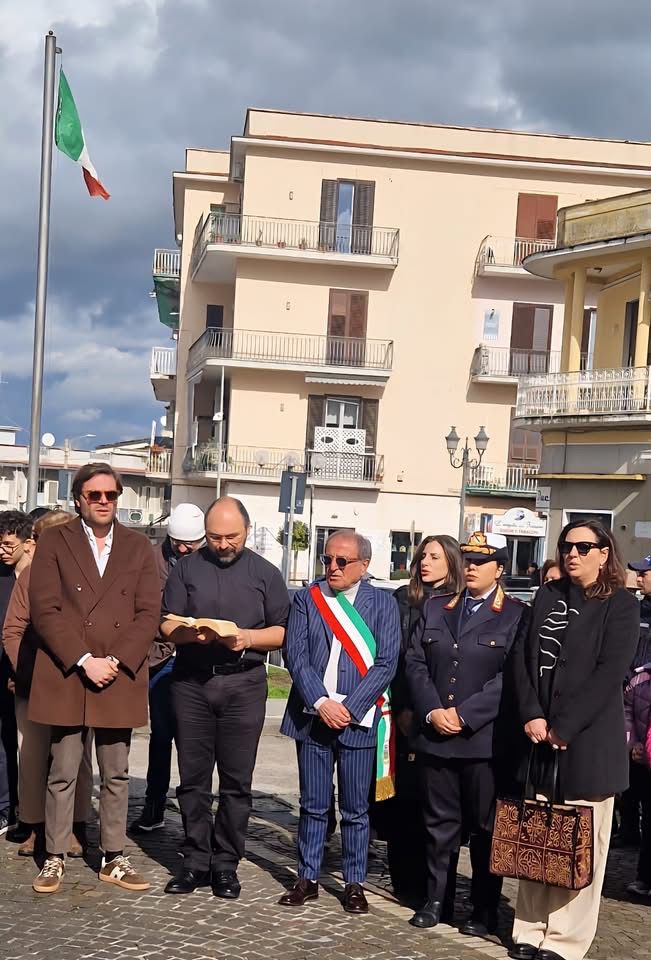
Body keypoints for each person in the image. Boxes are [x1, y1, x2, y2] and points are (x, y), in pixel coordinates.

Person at [509, 519, 638, 960]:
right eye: (567, 546)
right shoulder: (547, 596)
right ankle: (529, 930)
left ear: (605, 554)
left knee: (579, 844)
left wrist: (563, 726)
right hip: (537, 738)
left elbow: (609, 673)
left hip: (586, 744)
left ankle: (564, 939)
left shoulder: (620, 605)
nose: (574, 554)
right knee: (538, 839)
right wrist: (531, 714)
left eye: (585, 547)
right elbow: (523, 660)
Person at [28, 462, 160, 895]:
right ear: (79, 499)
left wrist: (116, 661)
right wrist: (84, 659)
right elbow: (45, 609)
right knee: (62, 771)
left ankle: (113, 856)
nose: (104, 502)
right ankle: (54, 857)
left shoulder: (140, 546)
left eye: (111, 495)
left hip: (118, 674)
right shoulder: (53, 541)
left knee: (117, 773)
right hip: (69, 672)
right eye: (95, 495)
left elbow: (147, 614)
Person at [161, 497, 289, 899]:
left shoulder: (265, 573)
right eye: (214, 537)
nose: (222, 544)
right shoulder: (186, 567)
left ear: (247, 531)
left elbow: (283, 631)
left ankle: (226, 864)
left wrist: (246, 638)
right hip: (192, 682)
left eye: (230, 536)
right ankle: (195, 860)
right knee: (193, 780)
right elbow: (166, 622)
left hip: (244, 683)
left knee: (237, 781)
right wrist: (188, 633)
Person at [406, 531, 528, 935]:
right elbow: (416, 662)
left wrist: (464, 715)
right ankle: (436, 899)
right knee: (438, 825)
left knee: (485, 829)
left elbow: (510, 677)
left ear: (500, 568)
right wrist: (432, 711)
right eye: (469, 559)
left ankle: (483, 907)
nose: (472, 566)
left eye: (483, 560)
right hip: (436, 736)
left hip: (482, 741)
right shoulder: (438, 607)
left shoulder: (513, 614)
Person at [279, 531, 399, 915]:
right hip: (313, 718)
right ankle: (307, 877)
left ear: (363, 566)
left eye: (342, 562)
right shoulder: (307, 600)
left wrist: (350, 706)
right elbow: (295, 656)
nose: (332, 567)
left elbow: (387, 663)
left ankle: (353, 883)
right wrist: (321, 701)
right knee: (313, 805)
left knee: (355, 809)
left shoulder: (382, 604)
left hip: (359, 721)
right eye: (327, 559)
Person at [2, 510, 94, 857]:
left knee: (78, 762)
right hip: (33, 684)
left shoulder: (91, 578)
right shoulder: (30, 578)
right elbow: (13, 631)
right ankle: (35, 827)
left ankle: (75, 827)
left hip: (80, 682)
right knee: (33, 756)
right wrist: (25, 673)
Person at [383, 535, 463, 907]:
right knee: (401, 800)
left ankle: (436, 888)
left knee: (438, 807)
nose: (425, 562)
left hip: (444, 713)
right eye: (422, 556)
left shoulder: (461, 603)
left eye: (434, 556)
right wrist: (401, 707)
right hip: (403, 713)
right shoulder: (403, 599)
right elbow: (396, 658)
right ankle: (403, 880)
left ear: (452, 562)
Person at [130, 503, 206, 834]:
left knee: (193, 740)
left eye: (192, 543)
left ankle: (195, 813)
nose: (184, 548)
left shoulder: (210, 561)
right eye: (178, 542)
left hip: (196, 657)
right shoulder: (150, 558)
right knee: (161, 735)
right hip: (159, 658)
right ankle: (154, 804)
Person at [0, 511, 35, 836]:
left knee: (27, 750)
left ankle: (27, 817)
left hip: (26, 678)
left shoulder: (35, 579)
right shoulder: (4, 576)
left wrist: (21, 671)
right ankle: (9, 809)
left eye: (9, 544)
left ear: (28, 543)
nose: (3, 551)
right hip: (7, 675)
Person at [624, 654, 651, 896]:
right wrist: (634, 745)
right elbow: (627, 713)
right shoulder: (640, 679)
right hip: (643, 761)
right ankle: (645, 878)